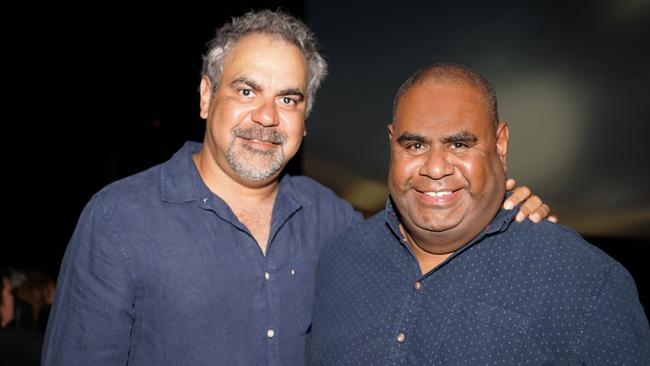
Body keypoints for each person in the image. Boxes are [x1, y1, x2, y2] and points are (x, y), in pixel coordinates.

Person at [42, 11, 553, 366]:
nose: (266, 116)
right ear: (205, 96)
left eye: (288, 99)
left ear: (304, 120)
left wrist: (503, 215)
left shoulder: (333, 221)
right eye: (246, 91)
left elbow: (428, 255)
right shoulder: (119, 219)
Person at [310, 63, 650, 365]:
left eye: (459, 144)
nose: (436, 168)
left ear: (500, 146)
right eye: (414, 145)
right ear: (391, 143)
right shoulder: (340, 259)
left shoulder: (585, 283)